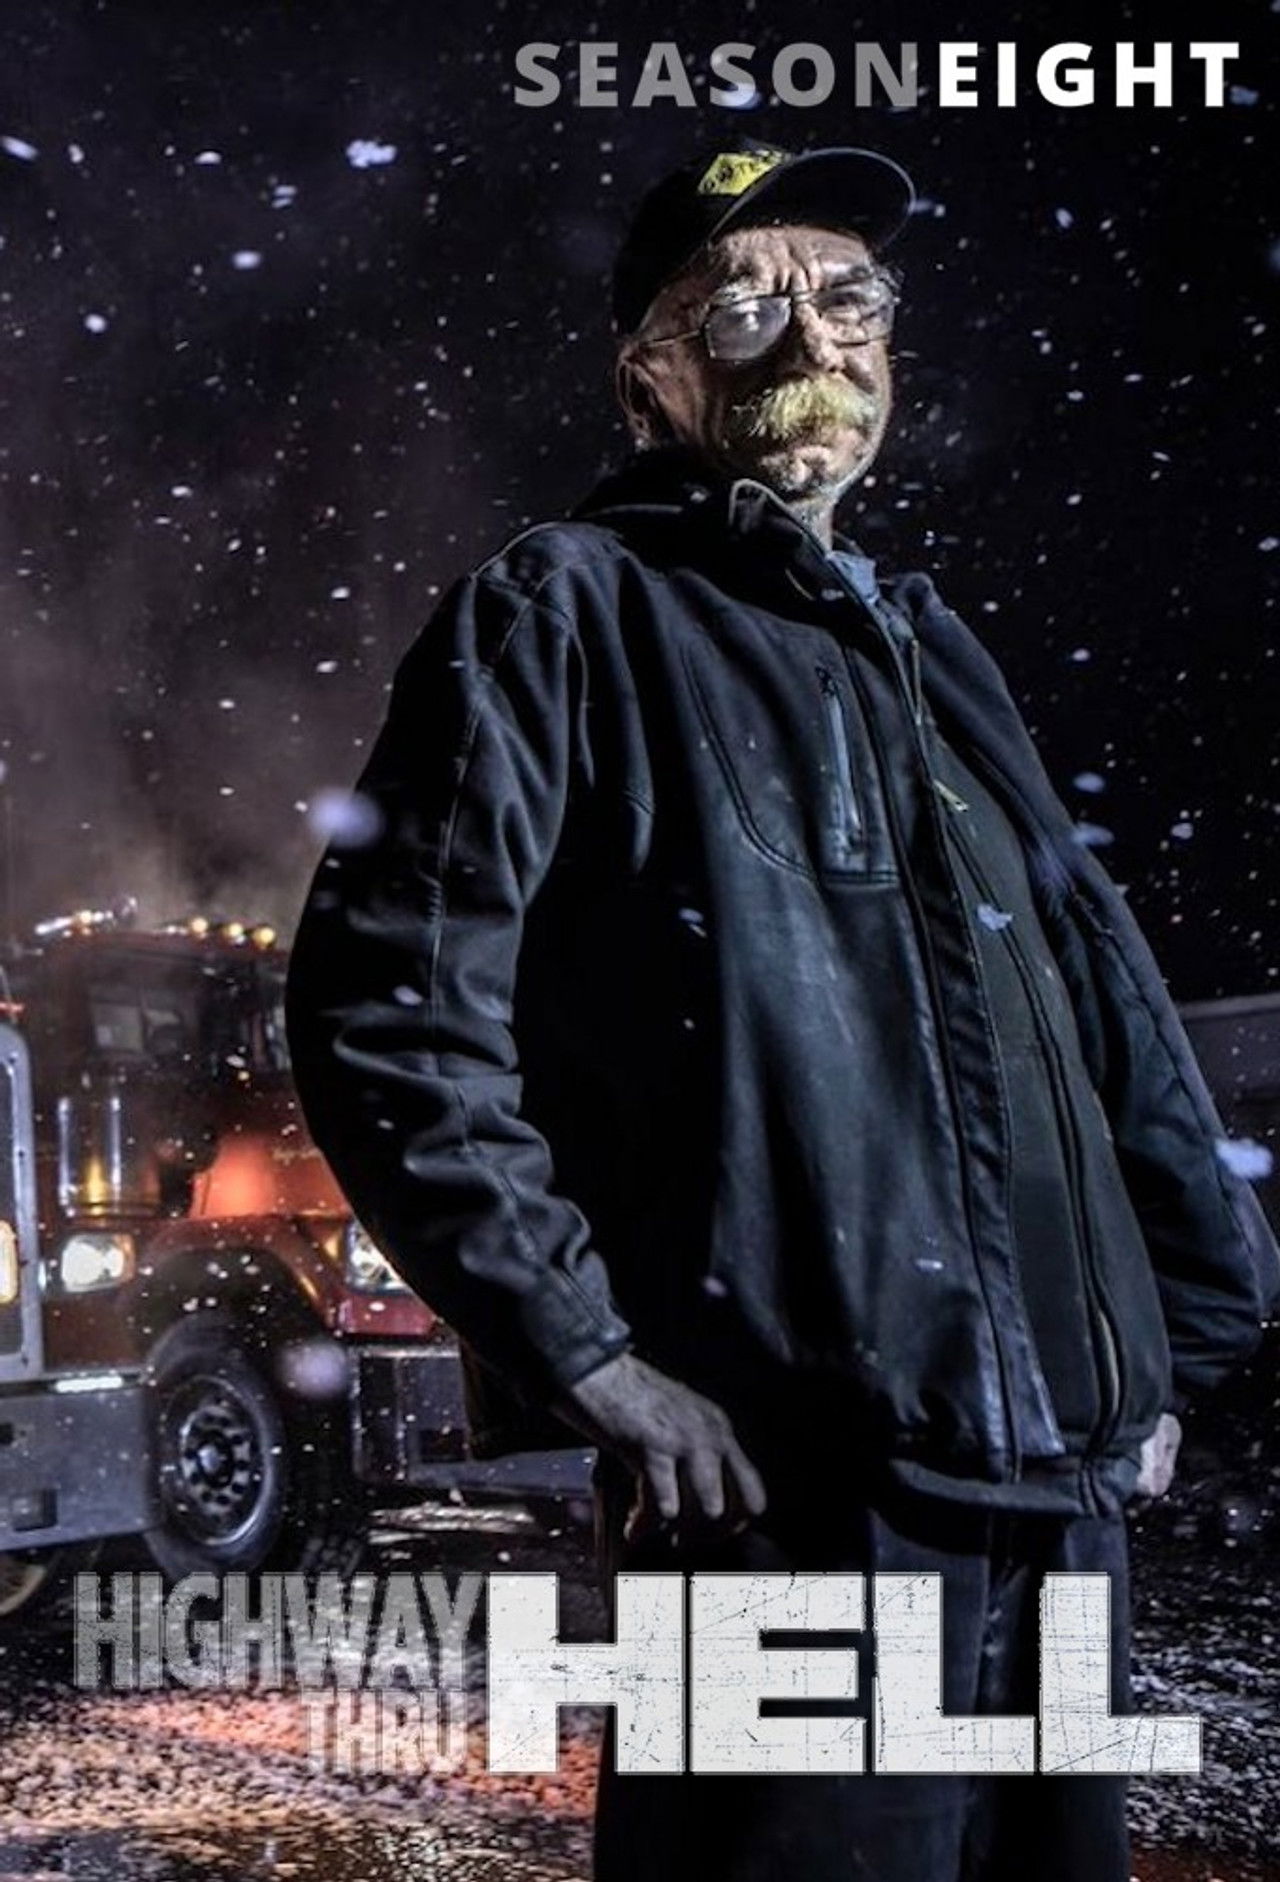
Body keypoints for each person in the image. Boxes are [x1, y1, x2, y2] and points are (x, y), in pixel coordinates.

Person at [284, 137, 1279, 1880]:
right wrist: (593, 1360)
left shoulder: (929, 652)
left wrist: (1173, 1333)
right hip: (788, 1511)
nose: (813, 334)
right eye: (743, 306)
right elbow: (393, 1011)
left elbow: (1096, 1003)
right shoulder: (568, 610)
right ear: (650, 380)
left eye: (849, 297)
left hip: (1062, 1502)